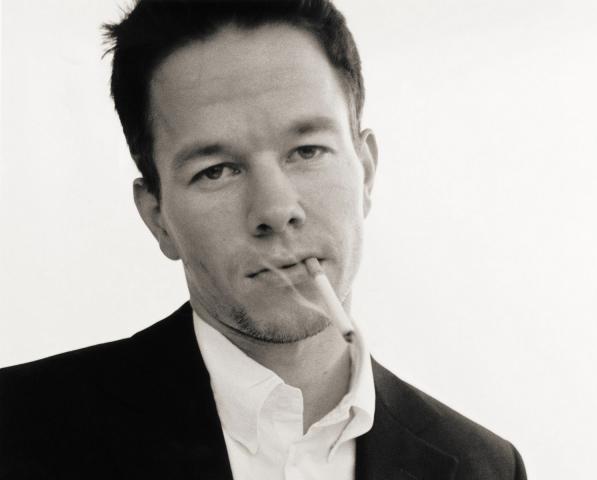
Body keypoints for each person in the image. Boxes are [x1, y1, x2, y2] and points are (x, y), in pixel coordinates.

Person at [0, 1, 526, 478]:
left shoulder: (485, 468)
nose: (275, 211)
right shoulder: (18, 429)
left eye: (307, 151)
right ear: (157, 217)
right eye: (216, 170)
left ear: (365, 172)